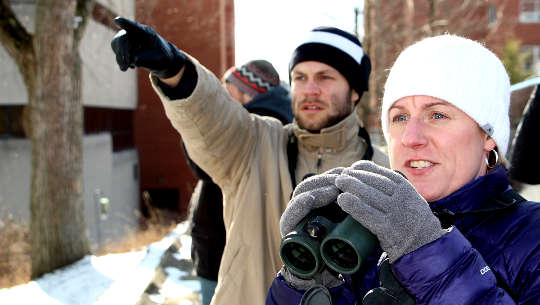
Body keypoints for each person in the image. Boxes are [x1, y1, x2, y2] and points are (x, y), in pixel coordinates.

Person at [110, 17, 389, 305]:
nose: (310, 90)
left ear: (355, 91)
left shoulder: (383, 170)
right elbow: (211, 115)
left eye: (325, 77)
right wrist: (173, 68)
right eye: (300, 78)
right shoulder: (255, 144)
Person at [267, 34, 540, 304]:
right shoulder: (361, 235)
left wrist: (426, 254)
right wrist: (306, 283)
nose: (410, 137)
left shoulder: (532, 235)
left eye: (437, 115)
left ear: (487, 135)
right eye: (400, 117)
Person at [186, 60, 293, 305]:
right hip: (228, 254)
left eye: (228, 90)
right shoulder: (264, 124)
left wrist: (201, 125)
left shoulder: (251, 129)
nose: (223, 97)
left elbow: (202, 165)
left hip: (227, 257)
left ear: (247, 92)